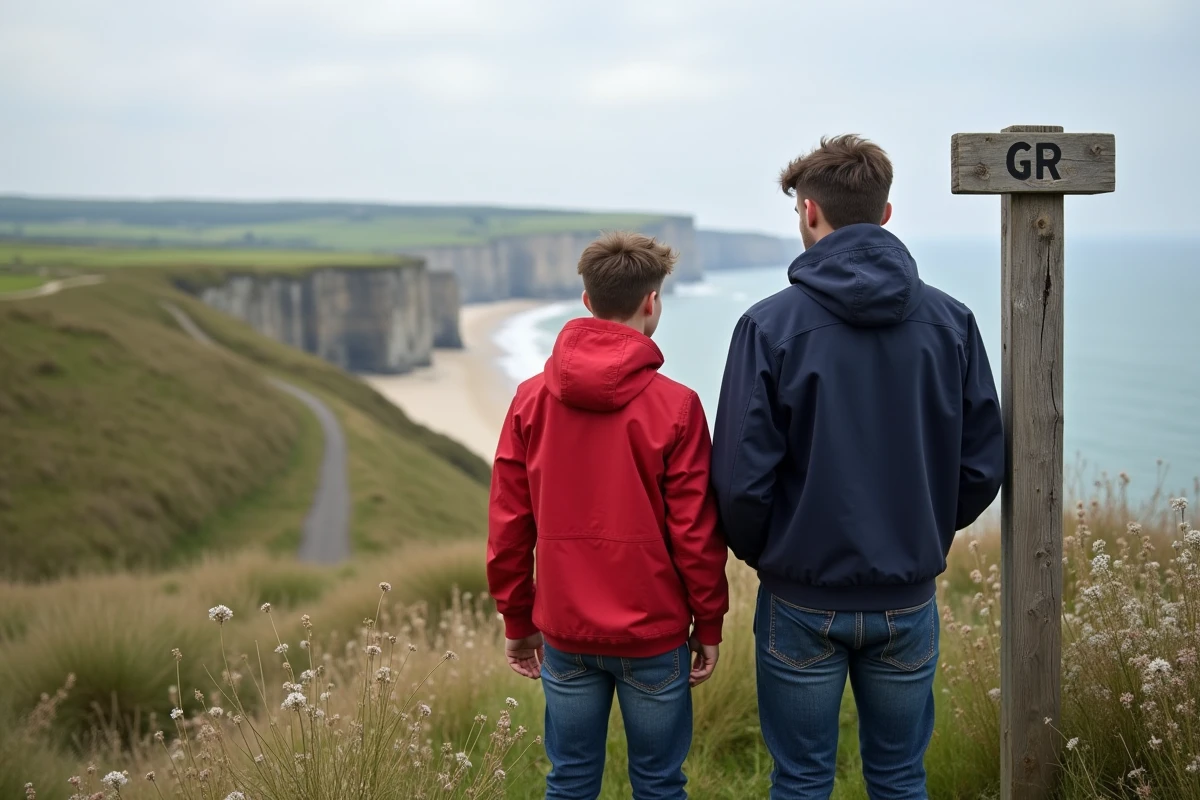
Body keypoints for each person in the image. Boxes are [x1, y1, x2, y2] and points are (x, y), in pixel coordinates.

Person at [712, 135, 1004, 800]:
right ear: (886, 213)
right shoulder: (953, 323)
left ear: (809, 211)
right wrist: (922, 529)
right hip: (908, 595)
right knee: (900, 778)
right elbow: (982, 464)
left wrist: (774, 554)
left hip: (799, 596)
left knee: (801, 780)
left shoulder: (767, 326)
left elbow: (739, 481)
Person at [487, 231, 730, 800]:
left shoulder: (529, 399)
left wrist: (517, 621)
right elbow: (695, 534)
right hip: (655, 633)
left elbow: (509, 525)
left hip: (565, 630)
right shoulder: (679, 406)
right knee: (659, 783)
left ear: (586, 300)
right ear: (652, 302)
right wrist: (708, 623)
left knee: (570, 780)